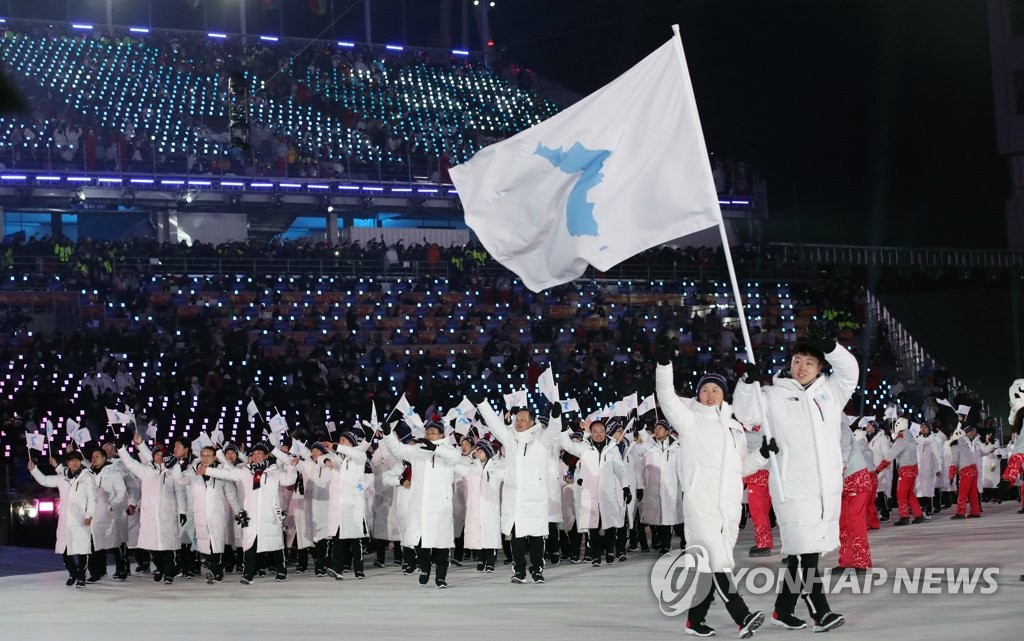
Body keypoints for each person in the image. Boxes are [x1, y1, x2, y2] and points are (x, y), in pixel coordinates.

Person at [733, 326, 855, 633]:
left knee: (809, 552)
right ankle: (820, 612)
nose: (801, 367)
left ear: (820, 367)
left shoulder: (830, 393)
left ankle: (783, 610)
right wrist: (748, 383)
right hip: (793, 488)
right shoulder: (772, 395)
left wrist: (831, 346)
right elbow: (745, 413)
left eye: (809, 363)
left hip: (825, 489)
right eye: (797, 360)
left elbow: (850, 370)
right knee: (805, 553)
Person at [656, 357, 770, 640]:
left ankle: (695, 621)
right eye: (704, 390)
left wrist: (763, 455)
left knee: (709, 567)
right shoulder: (690, 420)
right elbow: (667, 398)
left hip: (727, 507)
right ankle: (742, 616)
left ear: (723, 395)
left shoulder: (735, 429)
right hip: (701, 502)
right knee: (717, 561)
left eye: (714, 390)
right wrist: (664, 365)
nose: (709, 395)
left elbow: (741, 467)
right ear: (697, 394)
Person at [477, 401, 562, 584]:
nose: (519, 422)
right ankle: (520, 571)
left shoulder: (541, 440)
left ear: (532, 422)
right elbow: (494, 423)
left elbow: (554, 431)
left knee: (537, 537)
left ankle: (537, 569)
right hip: (514, 498)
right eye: (517, 419)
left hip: (535, 498)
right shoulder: (510, 438)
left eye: (523, 419)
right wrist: (482, 404)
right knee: (516, 537)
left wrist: (555, 417)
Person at [198, 442, 297, 584]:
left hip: (269, 515)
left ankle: (281, 570)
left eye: (259, 454)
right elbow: (228, 473)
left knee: (275, 543)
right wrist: (207, 471)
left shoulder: (274, 472)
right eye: (254, 453)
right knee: (249, 544)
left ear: (266, 456)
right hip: (251, 515)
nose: (256, 456)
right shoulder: (246, 471)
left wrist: (292, 466)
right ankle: (248, 574)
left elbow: (290, 480)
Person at [381, 419, 462, 588]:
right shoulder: (417, 450)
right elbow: (398, 449)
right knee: (419, 540)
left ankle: (441, 577)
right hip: (419, 504)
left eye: (434, 432)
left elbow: (455, 457)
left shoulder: (448, 451)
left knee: (440, 544)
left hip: (439, 505)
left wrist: (435, 448)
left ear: (441, 435)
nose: (430, 435)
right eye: (428, 432)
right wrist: (388, 434)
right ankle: (424, 567)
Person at [560, 416, 629, 568]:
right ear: (590, 432)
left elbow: (620, 469)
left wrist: (626, 487)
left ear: (606, 432)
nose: (599, 434)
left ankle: (610, 551)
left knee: (610, 524)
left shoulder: (612, 448)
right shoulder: (584, 448)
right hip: (590, 494)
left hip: (607, 492)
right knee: (593, 526)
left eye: (602, 431)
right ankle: (596, 556)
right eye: (595, 431)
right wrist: (564, 428)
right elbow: (567, 445)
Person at [117, 433, 184, 585]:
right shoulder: (145, 471)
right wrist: (121, 449)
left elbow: (180, 491)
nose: (159, 456)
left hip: (167, 514)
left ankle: (169, 573)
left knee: (167, 546)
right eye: (157, 454)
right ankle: (160, 568)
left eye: (162, 454)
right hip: (150, 515)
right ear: (152, 456)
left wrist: (182, 511)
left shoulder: (172, 471)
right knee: (152, 546)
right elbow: (130, 463)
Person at [173, 446, 242, 584]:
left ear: (214, 457)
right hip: (200, 514)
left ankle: (214, 568)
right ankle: (216, 569)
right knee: (206, 544)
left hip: (216, 514)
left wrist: (238, 512)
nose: (204, 458)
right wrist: (175, 465)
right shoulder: (193, 471)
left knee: (216, 542)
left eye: (208, 455)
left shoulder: (222, 472)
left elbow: (231, 494)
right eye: (202, 455)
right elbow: (180, 480)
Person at [28, 450, 97, 588]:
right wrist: (34, 469)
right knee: (65, 551)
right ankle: (73, 573)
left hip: (81, 520)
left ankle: (82, 577)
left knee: (83, 550)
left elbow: (92, 499)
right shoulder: (62, 478)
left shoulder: (87, 477)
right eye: (71, 460)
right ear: (67, 463)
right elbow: (45, 480)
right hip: (65, 520)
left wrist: (89, 515)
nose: (74, 463)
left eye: (77, 460)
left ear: (80, 462)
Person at [454, 439, 504, 572]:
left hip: (490, 507)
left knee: (490, 534)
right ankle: (481, 558)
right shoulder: (471, 468)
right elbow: (457, 467)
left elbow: (507, 472)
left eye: (481, 451)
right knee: (477, 535)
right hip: (475, 507)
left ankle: (490, 562)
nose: (478, 453)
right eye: (477, 451)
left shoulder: (495, 468)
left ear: (487, 453)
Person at [635, 418, 683, 555]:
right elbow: (642, 442)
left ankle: (685, 541)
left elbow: (681, 469)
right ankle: (665, 546)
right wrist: (640, 429)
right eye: (655, 428)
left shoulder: (676, 448)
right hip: (655, 489)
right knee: (661, 520)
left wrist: (684, 489)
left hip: (672, 488)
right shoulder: (650, 446)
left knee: (677, 519)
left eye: (660, 428)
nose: (657, 430)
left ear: (667, 431)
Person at [86, 446, 128, 582]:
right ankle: (96, 572)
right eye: (92, 457)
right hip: (94, 515)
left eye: (97, 456)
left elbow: (121, 492)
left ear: (104, 458)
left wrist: (112, 505)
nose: (94, 459)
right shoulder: (88, 474)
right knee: (94, 545)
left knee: (114, 544)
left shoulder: (113, 473)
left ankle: (122, 569)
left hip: (110, 515)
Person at [836, 423, 874, 572]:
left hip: (855, 480)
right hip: (845, 482)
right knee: (843, 523)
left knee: (855, 522)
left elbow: (843, 453)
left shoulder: (841, 428)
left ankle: (861, 562)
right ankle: (846, 560)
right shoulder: (830, 428)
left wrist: (838, 471)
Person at [873, 418, 925, 526]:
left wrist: (878, 469)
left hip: (906, 469)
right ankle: (918, 514)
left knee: (901, 494)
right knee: (909, 493)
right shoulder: (909, 437)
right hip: (913, 468)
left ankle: (904, 517)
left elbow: (891, 455)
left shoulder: (901, 440)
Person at [948, 426, 996, 519]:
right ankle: (975, 512)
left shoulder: (954, 445)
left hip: (966, 470)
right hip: (974, 469)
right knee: (973, 493)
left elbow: (954, 461)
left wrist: (951, 475)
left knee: (962, 493)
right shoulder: (965, 445)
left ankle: (960, 513)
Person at [864, 421, 891, 523]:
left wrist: (885, 466)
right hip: (869, 469)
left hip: (880, 468)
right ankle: (873, 515)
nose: (867, 427)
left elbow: (887, 453)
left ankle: (885, 513)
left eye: (869, 425)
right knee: (872, 494)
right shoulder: (865, 438)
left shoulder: (881, 438)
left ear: (874, 427)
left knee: (881, 491)